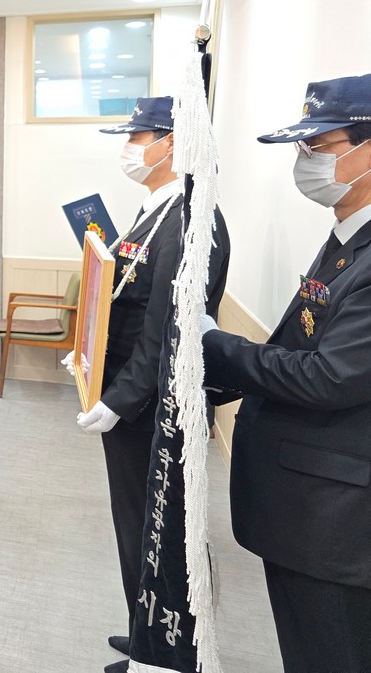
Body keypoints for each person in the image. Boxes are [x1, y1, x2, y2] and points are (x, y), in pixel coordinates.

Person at [202, 75, 371, 672]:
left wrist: (216, 345)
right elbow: (302, 344)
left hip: (335, 522)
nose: (306, 160)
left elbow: (330, 377)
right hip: (307, 511)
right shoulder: (347, 238)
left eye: (319, 145)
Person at [76, 97, 229, 670]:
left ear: (172, 143)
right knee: (136, 529)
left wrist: (119, 399)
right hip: (131, 402)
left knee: (162, 535)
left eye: (138, 137)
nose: (129, 148)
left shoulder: (188, 219)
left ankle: (169, 655)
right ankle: (145, 637)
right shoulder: (155, 211)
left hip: (153, 410)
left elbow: (168, 329)